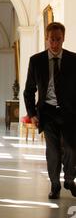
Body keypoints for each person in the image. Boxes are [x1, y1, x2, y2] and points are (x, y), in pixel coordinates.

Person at [24, 22, 76, 199]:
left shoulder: (73, 59)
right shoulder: (36, 61)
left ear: (64, 38)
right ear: (46, 39)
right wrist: (32, 114)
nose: (55, 44)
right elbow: (29, 90)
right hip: (48, 113)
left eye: (58, 40)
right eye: (52, 40)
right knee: (53, 151)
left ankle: (69, 179)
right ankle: (55, 184)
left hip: (70, 113)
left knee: (71, 149)